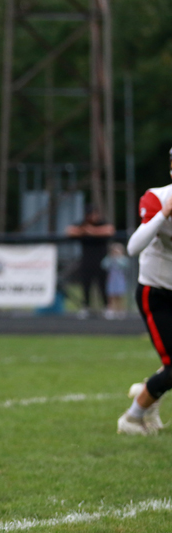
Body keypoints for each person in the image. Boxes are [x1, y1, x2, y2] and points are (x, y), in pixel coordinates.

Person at [117, 151, 172, 436]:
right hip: (158, 291)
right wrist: (164, 213)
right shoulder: (158, 197)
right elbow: (133, 247)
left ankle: (149, 390)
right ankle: (132, 417)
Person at [65, 206, 115, 318]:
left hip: (102, 261)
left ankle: (107, 307)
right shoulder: (82, 224)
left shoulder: (102, 223)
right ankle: (86, 307)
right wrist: (85, 230)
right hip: (87, 260)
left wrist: (91, 231)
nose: (94, 217)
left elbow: (109, 230)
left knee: (103, 284)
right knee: (86, 284)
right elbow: (70, 231)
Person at [100, 242, 129, 319]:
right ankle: (111, 309)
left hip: (120, 280)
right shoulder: (109, 259)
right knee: (111, 295)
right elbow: (104, 265)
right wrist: (111, 258)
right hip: (111, 280)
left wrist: (118, 259)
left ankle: (120, 310)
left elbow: (125, 265)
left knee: (120, 295)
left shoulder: (123, 260)